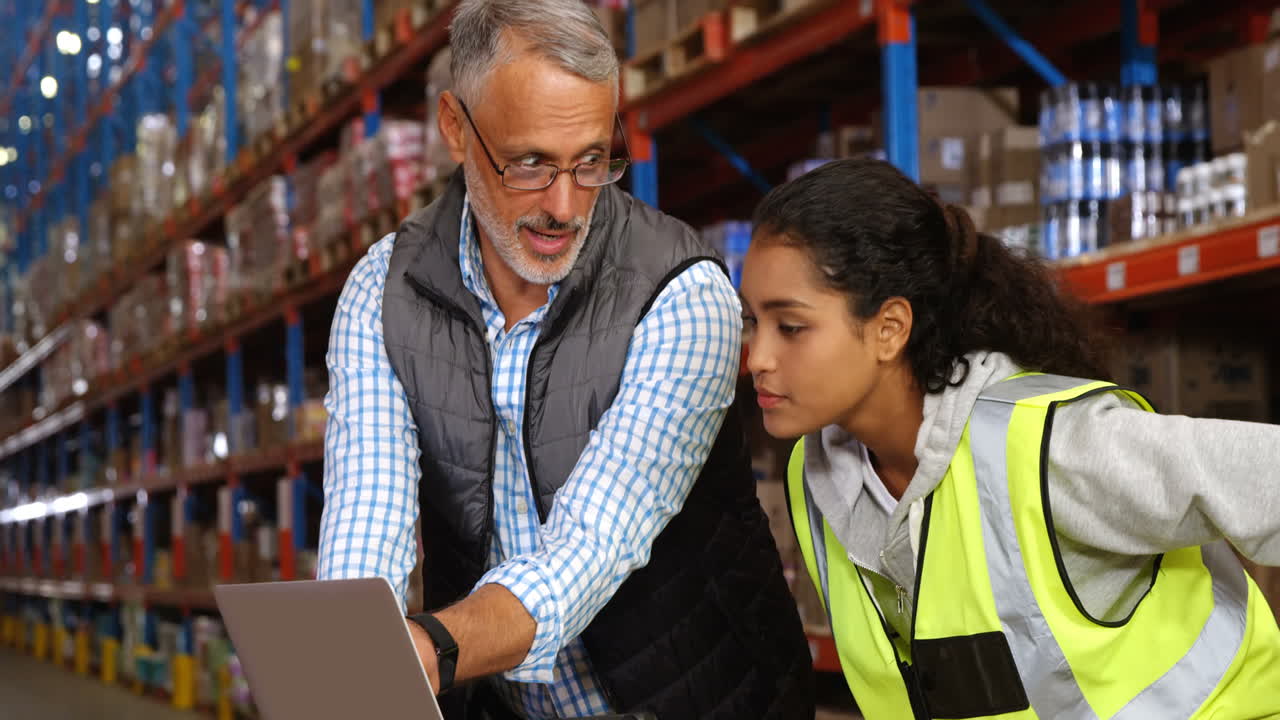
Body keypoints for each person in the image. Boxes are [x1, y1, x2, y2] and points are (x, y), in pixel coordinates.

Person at [315, 1, 814, 719]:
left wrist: (428, 650)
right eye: (530, 164)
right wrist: (351, 657)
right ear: (456, 128)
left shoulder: (681, 293)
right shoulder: (385, 292)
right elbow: (366, 519)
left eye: (591, 161)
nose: (565, 204)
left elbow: (589, 550)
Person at [739, 157, 1280, 718]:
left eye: (791, 327)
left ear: (889, 328)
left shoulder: (1050, 450)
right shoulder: (818, 476)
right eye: (751, 321)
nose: (759, 358)